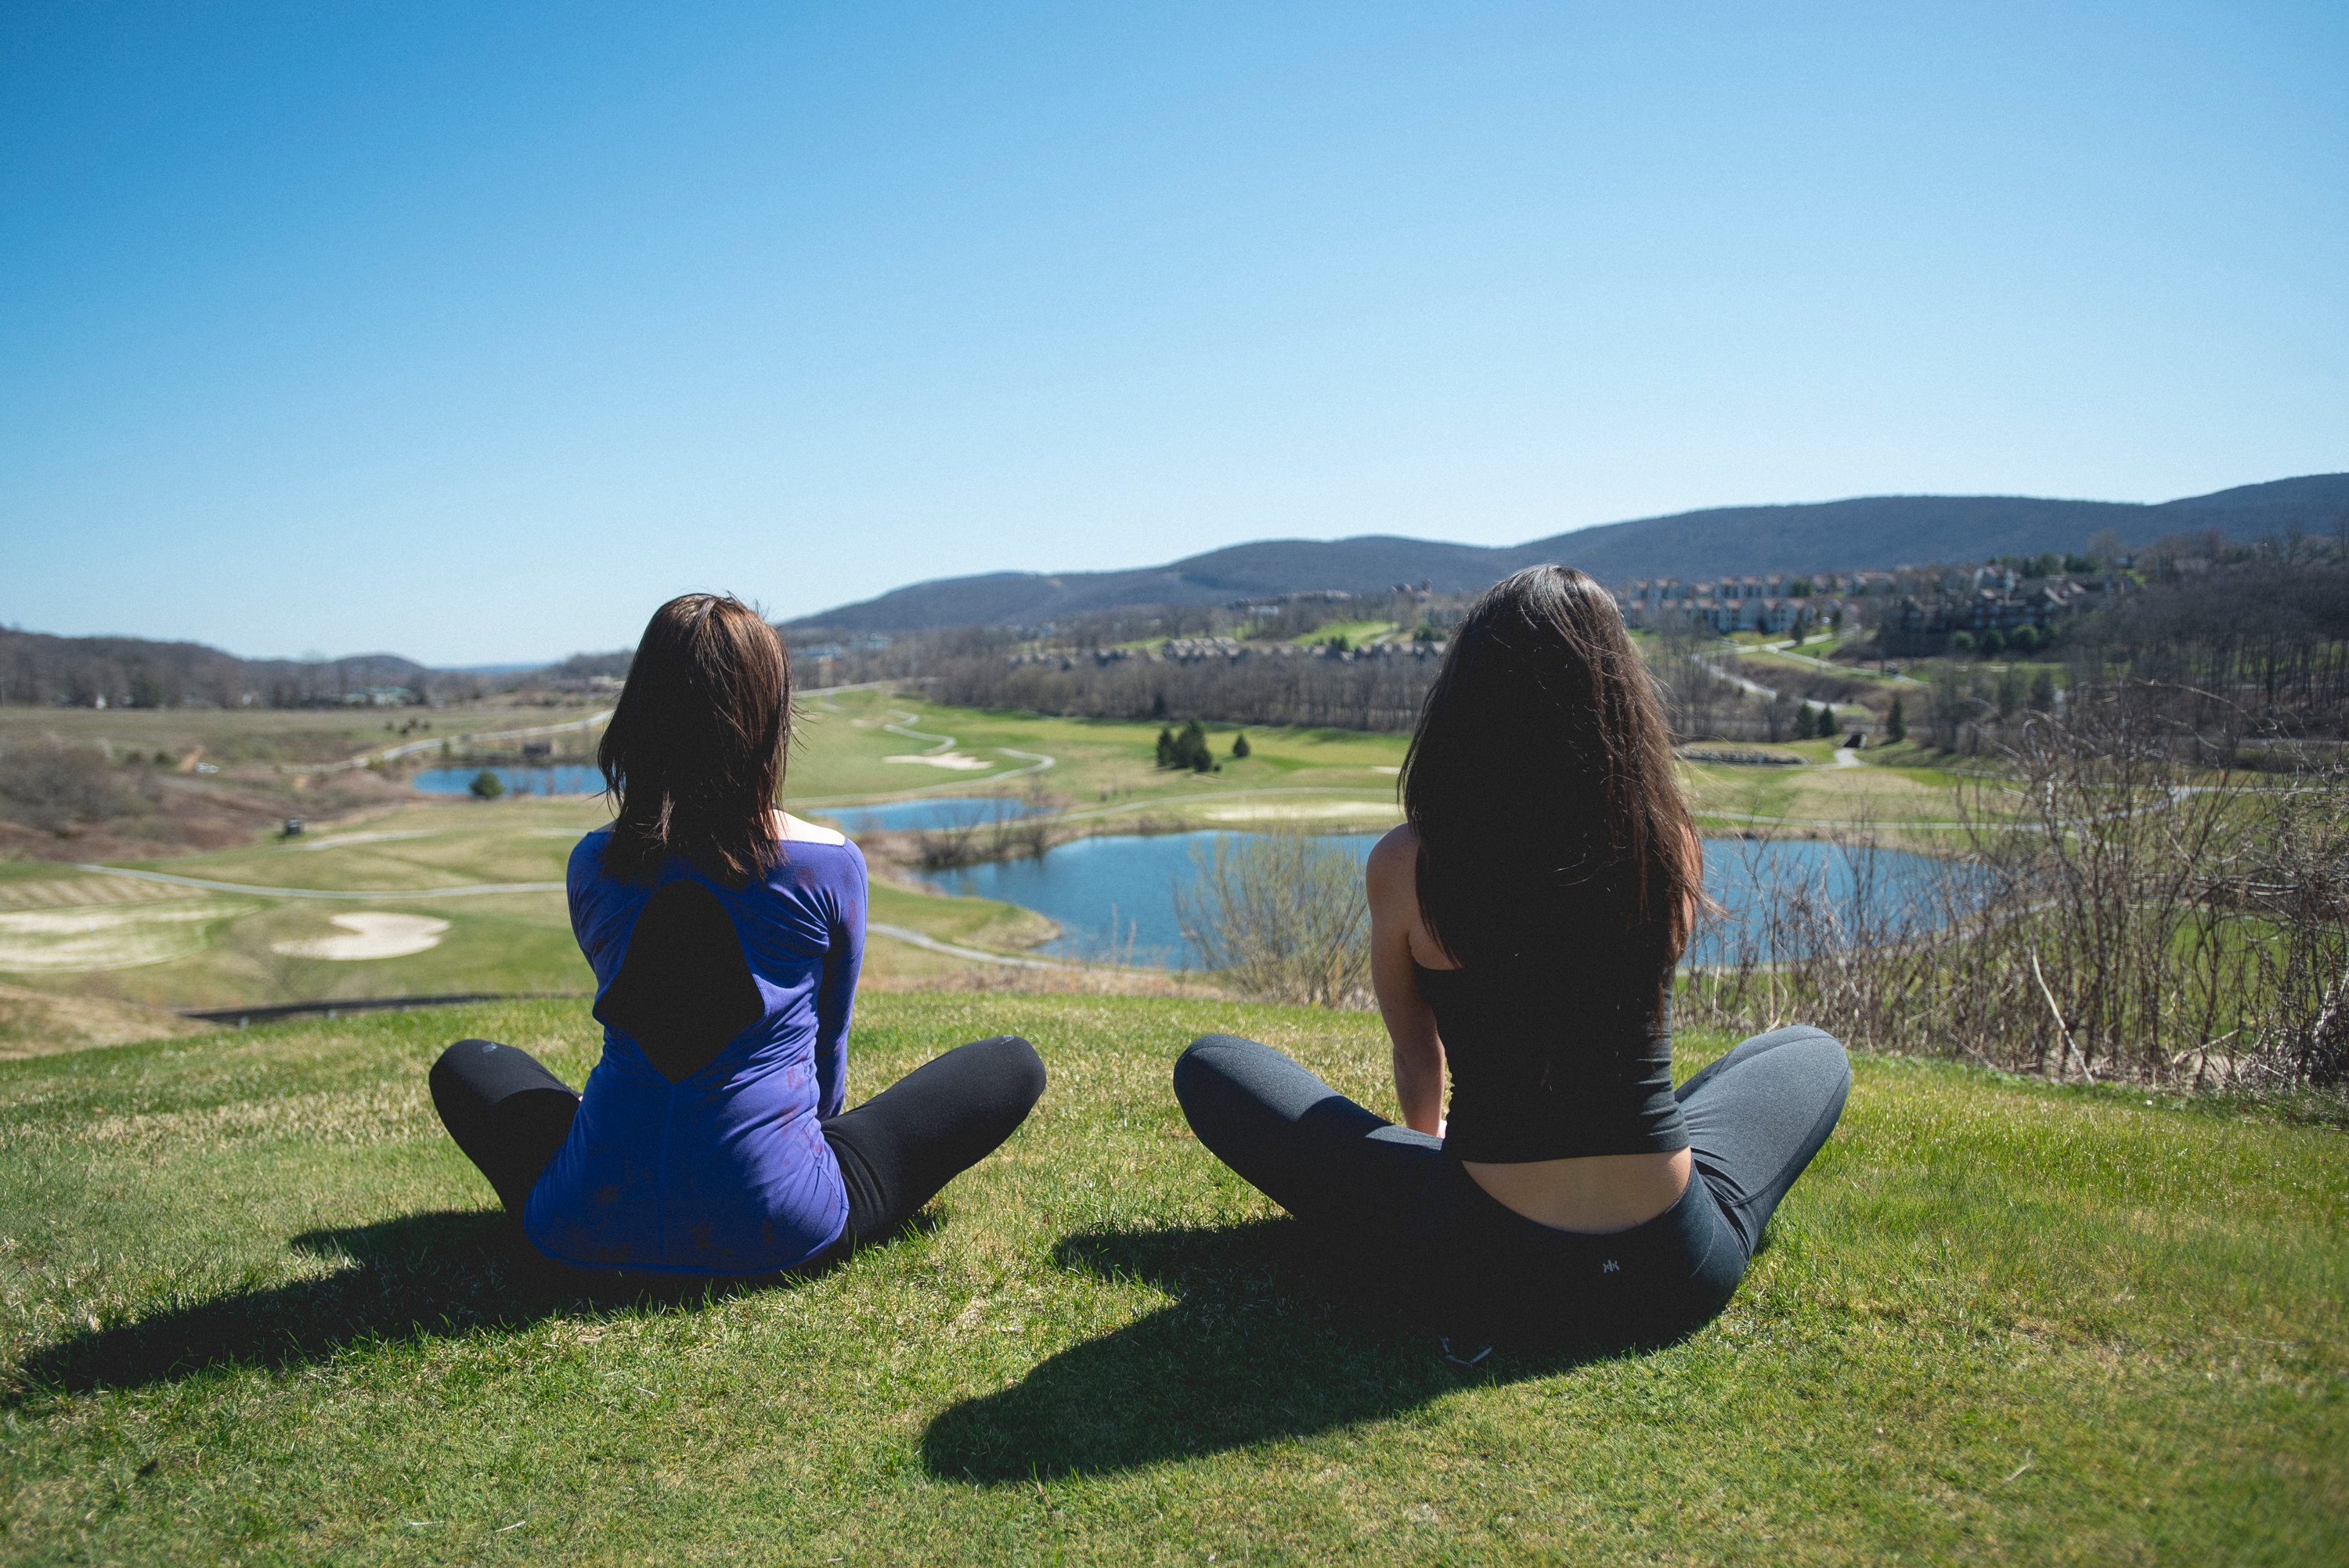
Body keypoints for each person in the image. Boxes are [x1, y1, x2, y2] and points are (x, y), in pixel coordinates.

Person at [1174, 566, 1849, 1346]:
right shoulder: (1669, 848)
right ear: (1621, 702)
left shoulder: (1409, 864)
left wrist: (1428, 1150)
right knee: (1809, 1050)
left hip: (1480, 1259)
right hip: (1670, 1267)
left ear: (1469, 701)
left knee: (1212, 1064)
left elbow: (1416, 1053)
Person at [428, 594, 1045, 1277]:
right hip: (777, 1220)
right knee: (1013, 1062)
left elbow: (646, 1000)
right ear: (767, 721)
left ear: (639, 712)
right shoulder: (830, 863)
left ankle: (615, 1141)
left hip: (580, 1219)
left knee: (467, 1063)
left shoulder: (592, 864)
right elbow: (825, 1049)